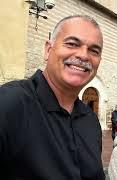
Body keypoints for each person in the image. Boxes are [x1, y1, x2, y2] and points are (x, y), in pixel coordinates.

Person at [0, 15, 105, 179]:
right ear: (48, 50)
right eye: (72, 44)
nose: (84, 56)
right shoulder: (8, 104)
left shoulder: (91, 120)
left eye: (94, 50)